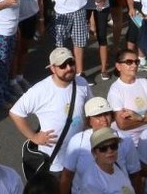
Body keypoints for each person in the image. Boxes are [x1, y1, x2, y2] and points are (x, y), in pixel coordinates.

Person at [11, 47, 90, 181]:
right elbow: (15, 113)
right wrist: (34, 137)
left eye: (71, 63)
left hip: (81, 156)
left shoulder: (81, 83)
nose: (69, 68)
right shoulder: (40, 90)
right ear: (53, 68)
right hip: (55, 163)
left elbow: (90, 107)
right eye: (63, 65)